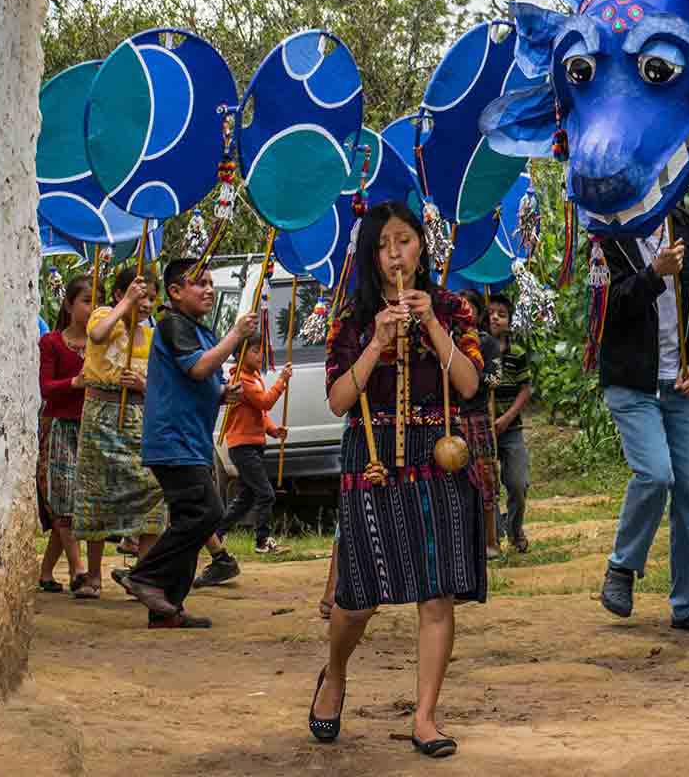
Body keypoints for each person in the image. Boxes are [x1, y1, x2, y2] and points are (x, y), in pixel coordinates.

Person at [309, 202, 485, 756]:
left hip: (439, 456)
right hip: (373, 460)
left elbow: (469, 385)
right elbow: (339, 400)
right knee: (358, 598)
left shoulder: (453, 309)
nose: (394, 254)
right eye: (383, 244)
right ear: (370, 254)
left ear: (421, 248)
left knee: (436, 596)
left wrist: (431, 323)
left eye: (404, 241)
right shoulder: (354, 317)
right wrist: (377, 343)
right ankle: (334, 672)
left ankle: (426, 718)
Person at [598, 204, 689, 634]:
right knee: (656, 475)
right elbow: (608, 309)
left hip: (684, 384)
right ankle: (622, 565)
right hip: (632, 383)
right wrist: (654, 273)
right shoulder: (607, 235)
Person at [117, 259, 256, 629]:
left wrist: (223, 392)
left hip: (189, 438)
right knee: (206, 513)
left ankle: (166, 609)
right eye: (199, 283)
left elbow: (199, 380)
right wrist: (235, 335)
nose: (208, 289)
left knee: (189, 518)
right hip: (172, 439)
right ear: (175, 292)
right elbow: (196, 368)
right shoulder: (172, 324)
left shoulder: (196, 329)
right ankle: (145, 576)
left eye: (211, 282)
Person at [72, 266, 168, 599]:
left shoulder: (152, 336)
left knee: (152, 491)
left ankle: (141, 575)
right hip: (101, 416)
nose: (145, 304)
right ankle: (93, 576)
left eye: (151, 299)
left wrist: (143, 385)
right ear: (120, 294)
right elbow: (97, 336)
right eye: (141, 296)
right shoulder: (103, 316)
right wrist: (125, 305)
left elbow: (162, 382)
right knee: (96, 493)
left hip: (138, 420)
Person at [37, 276, 90, 593]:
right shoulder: (52, 343)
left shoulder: (101, 343)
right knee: (63, 500)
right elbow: (46, 389)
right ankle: (79, 568)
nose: (92, 307)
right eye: (85, 300)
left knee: (73, 503)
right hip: (58, 427)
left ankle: (46, 573)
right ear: (69, 304)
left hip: (89, 428)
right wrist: (74, 383)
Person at [215, 345, 292, 556]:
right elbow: (265, 402)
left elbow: (260, 411)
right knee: (265, 494)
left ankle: (216, 533)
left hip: (253, 445)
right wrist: (282, 381)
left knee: (246, 498)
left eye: (260, 351)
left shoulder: (255, 376)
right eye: (254, 351)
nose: (260, 355)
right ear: (240, 356)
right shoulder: (241, 381)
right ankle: (262, 541)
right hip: (243, 447)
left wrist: (273, 431)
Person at [486, 293, 533, 555]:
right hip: (485, 430)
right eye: (491, 313)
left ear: (510, 321)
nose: (495, 317)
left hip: (511, 429)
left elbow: (525, 390)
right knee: (487, 484)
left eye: (501, 314)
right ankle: (493, 535)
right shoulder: (478, 350)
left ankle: (515, 529)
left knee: (517, 483)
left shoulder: (517, 353)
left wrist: (505, 419)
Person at [455, 289, 500, 562]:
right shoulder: (446, 340)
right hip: (454, 418)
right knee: (456, 481)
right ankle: (463, 544)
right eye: (462, 307)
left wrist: (472, 376)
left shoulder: (487, 343)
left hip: (478, 417)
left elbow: (494, 378)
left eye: (471, 307)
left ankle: (491, 540)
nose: (467, 312)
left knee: (485, 480)